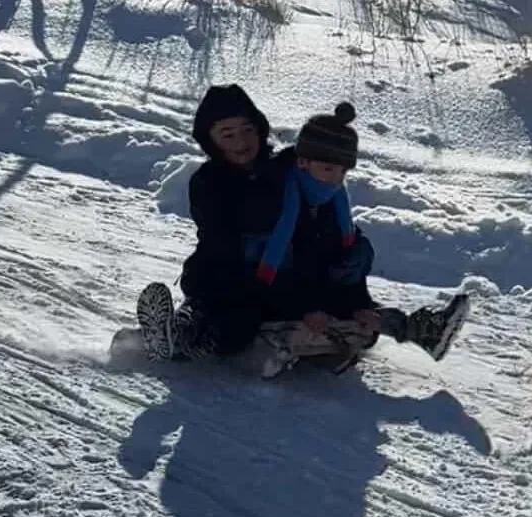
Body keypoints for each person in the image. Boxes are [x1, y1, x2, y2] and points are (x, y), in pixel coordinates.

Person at [135, 85, 469, 373]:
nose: (241, 141)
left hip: (287, 281)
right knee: (228, 318)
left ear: (260, 128)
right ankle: (178, 335)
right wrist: (298, 302)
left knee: (356, 312)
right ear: (211, 140)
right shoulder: (210, 182)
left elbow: (324, 236)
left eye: (247, 129)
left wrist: (350, 291)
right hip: (229, 276)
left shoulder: (287, 171)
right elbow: (225, 248)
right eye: (228, 134)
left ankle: (420, 330)